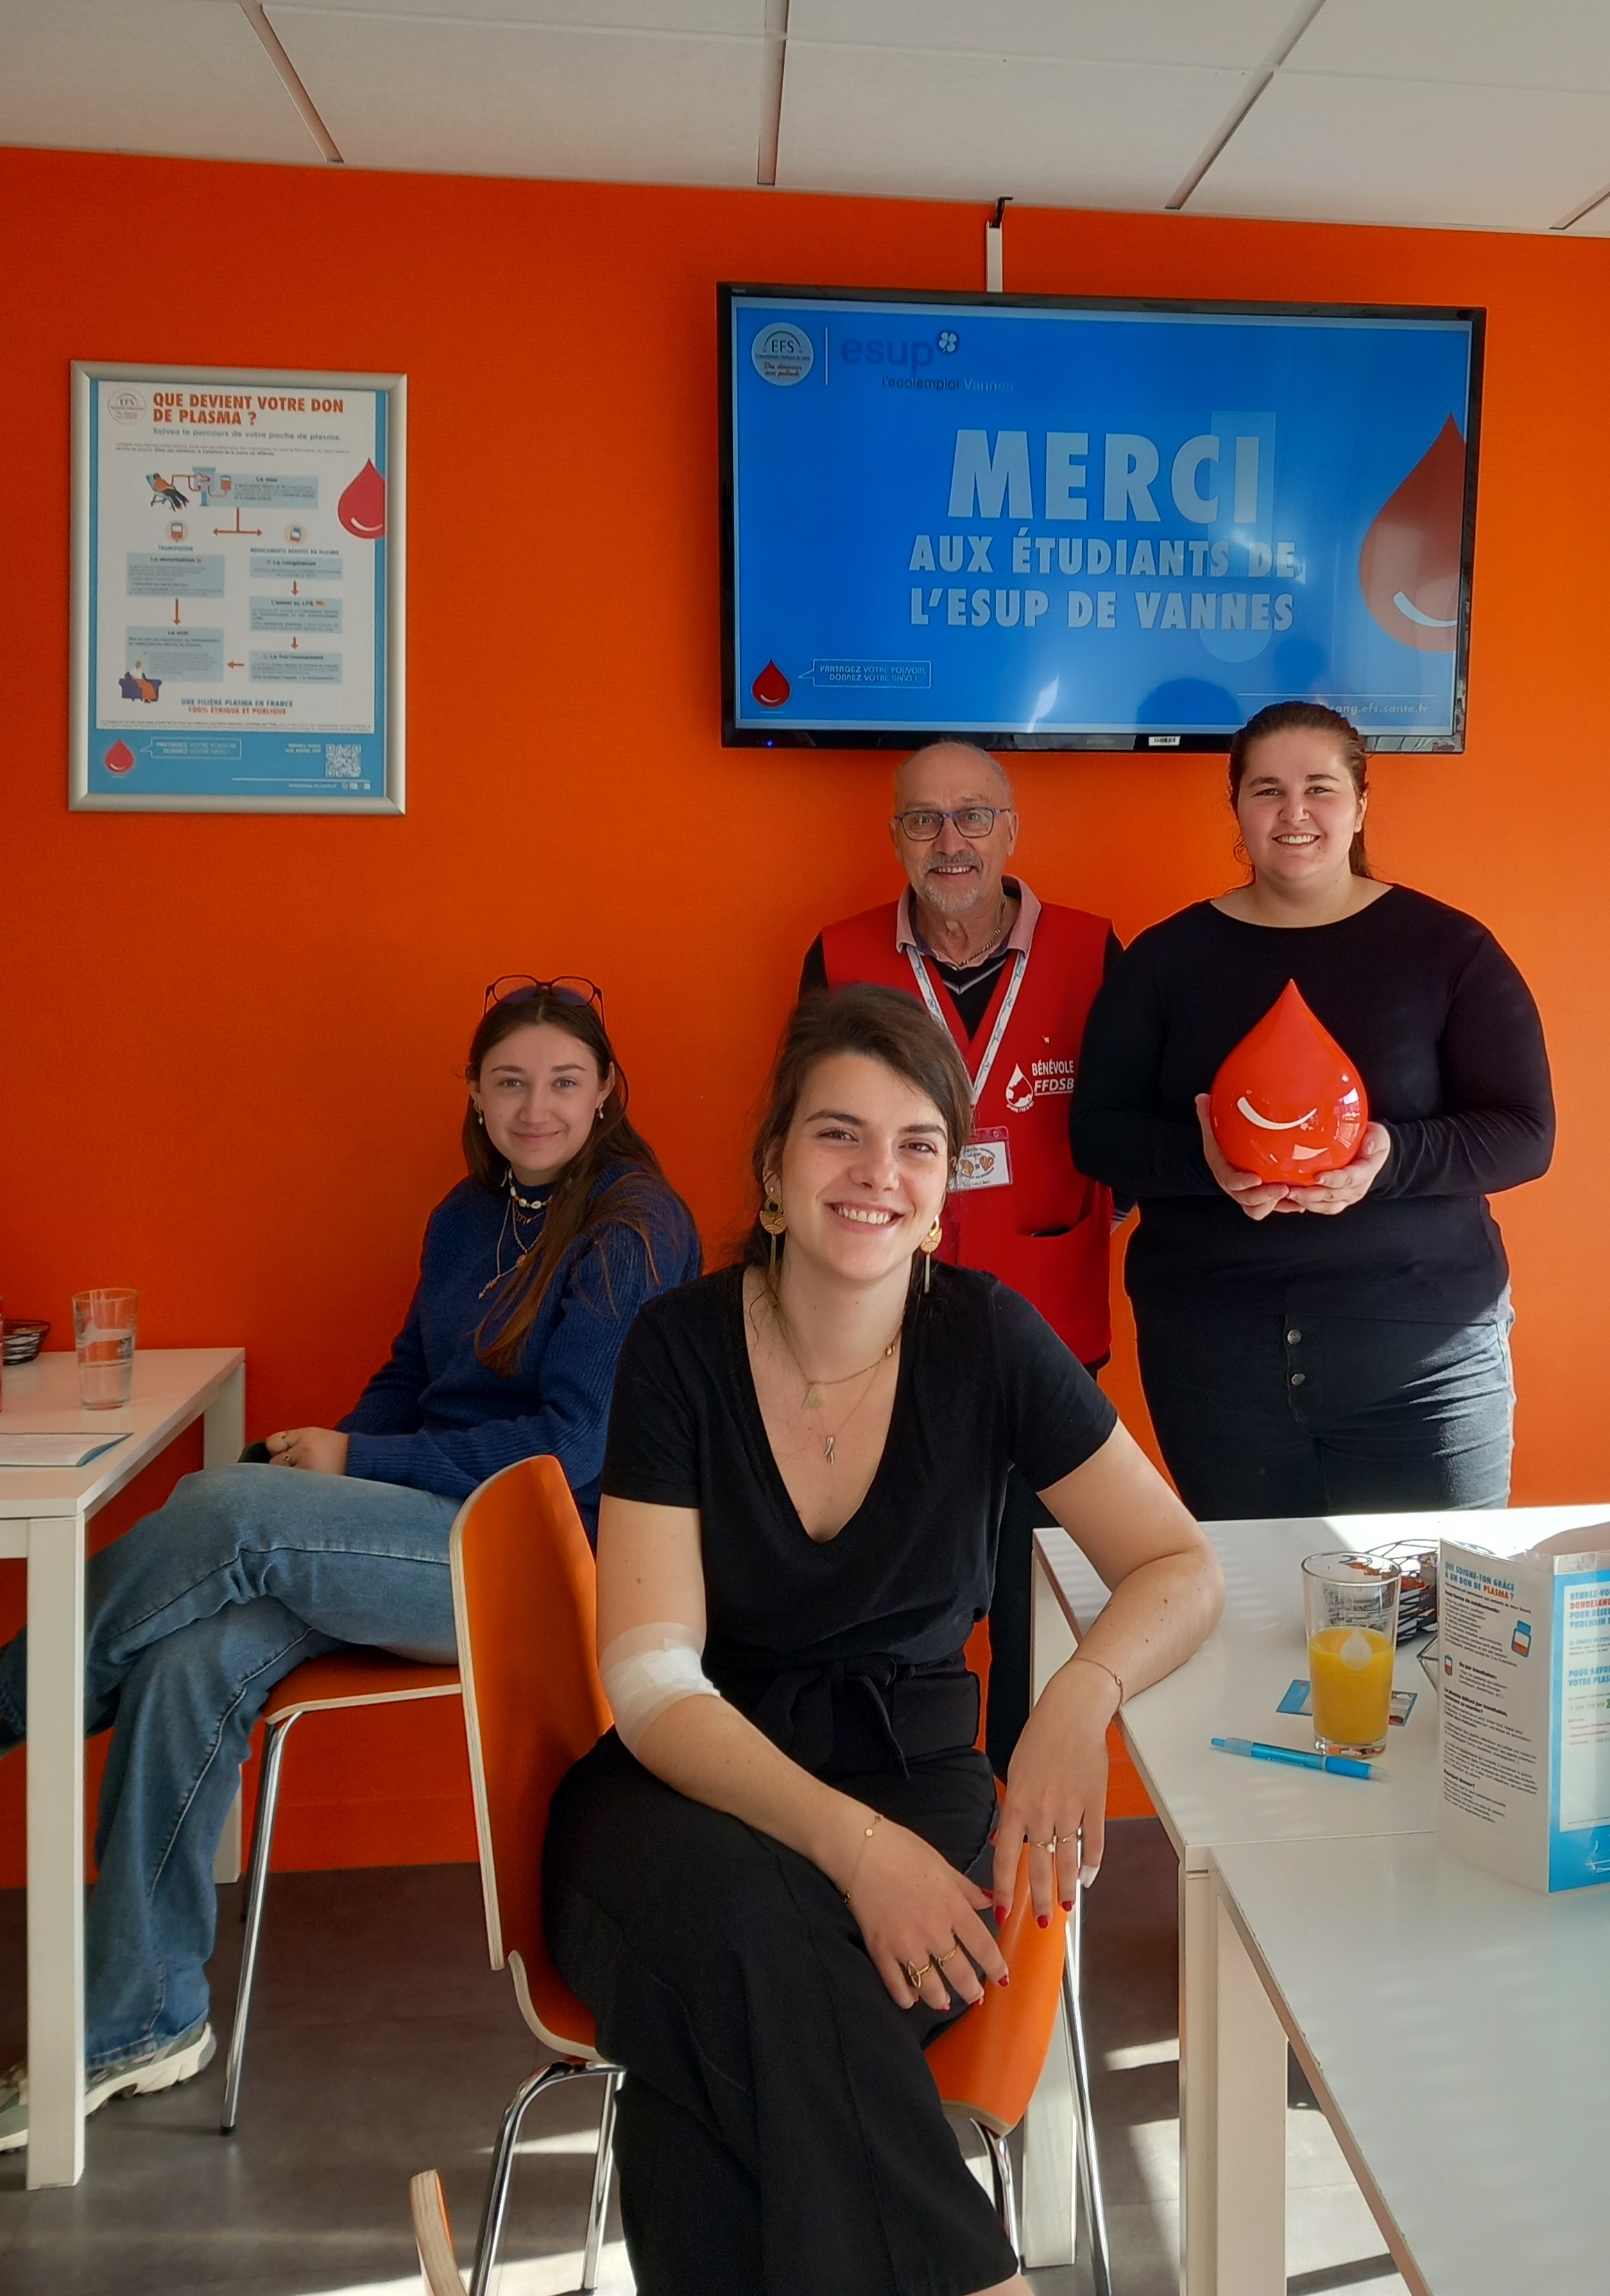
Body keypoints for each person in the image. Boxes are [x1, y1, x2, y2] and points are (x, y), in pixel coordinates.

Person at [545, 983, 1220, 2296]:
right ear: (773, 1173)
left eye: (917, 1145)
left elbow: (1179, 1564)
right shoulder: (678, 1348)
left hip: (918, 1782)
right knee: (752, 1938)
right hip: (682, 1788)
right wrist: (855, 1852)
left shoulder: (992, 1340)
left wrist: (1077, 1699)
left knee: (718, 2045)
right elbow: (652, 1679)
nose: (878, 1173)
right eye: (838, 1135)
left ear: (943, 1188)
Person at [0, 979, 698, 2148]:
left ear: (607, 1093)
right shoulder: (466, 1216)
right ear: (473, 1094)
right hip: (420, 1529)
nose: (536, 1108)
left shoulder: (633, 1229)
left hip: (541, 1567)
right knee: (187, 1660)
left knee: (228, 1510)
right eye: (511, 1082)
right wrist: (341, 1466)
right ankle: (141, 2022)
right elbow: (412, 1376)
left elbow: (574, 1447)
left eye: (564, 1082)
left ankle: (10, 1700)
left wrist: (355, 1463)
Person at [1070, 700, 1555, 1518]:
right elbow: (1096, 1134)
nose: (1293, 812)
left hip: (1426, 1356)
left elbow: (1524, 1133)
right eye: (1266, 790)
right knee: (1257, 1595)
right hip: (1215, 1360)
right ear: (1236, 808)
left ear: (1360, 804)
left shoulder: (1449, 949)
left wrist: (1388, 1160)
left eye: (1319, 789)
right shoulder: (1164, 960)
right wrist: (1204, 1164)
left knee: (1437, 1594)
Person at [801, 738, 1119, 1771]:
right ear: (894, 836)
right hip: (885, 1344)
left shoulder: (1093, 949)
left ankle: (1028, 1831)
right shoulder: (839, 955)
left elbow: (1124, 1127)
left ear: (1010, 830)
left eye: (974, 816)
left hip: (1049, 1341)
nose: (951, 841)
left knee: (1041, 1612)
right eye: (923, 820)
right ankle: (896, 1808)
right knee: (893, 1605)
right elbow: (813, 1131)